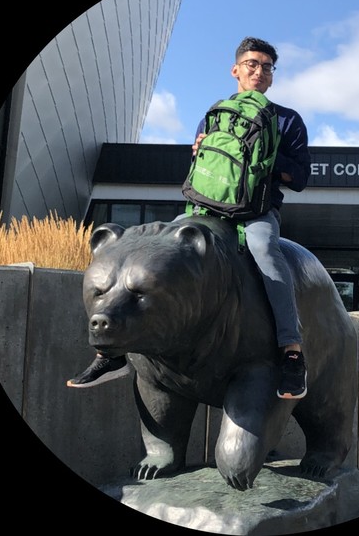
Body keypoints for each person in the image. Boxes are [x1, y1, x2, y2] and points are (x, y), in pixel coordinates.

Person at [68, 36, 311, 400]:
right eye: (252, 64)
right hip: (204, 209)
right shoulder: (215, 114)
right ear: (236, 70)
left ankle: (291, 352)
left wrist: (263, 155)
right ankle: (110, 354)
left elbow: (301, 179)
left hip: (256, 213)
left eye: (267, 67)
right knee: (158, 254)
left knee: (265, 252)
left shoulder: (288, 120)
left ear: (272, 76)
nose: (259, 71)